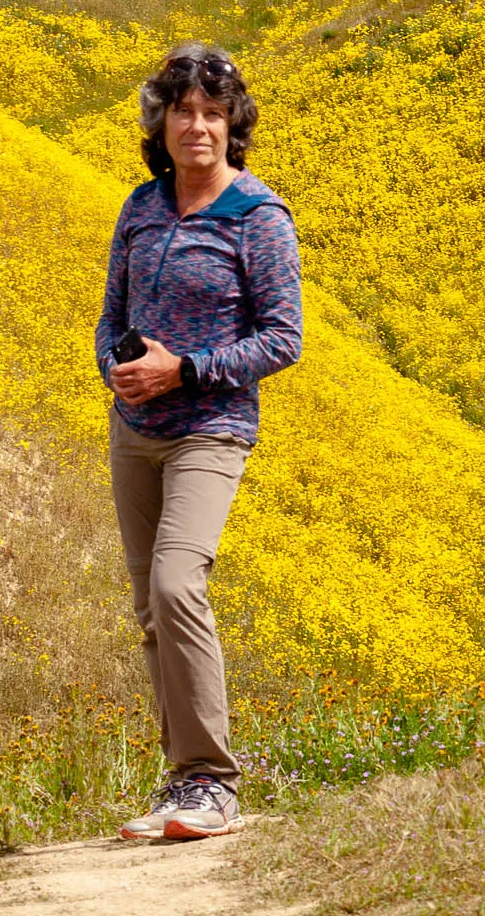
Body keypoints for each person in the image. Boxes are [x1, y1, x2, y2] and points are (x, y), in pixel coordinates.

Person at [95, 41, 303, 842]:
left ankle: (215, 783)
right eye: (184, 110)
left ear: (233, 126)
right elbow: (112, 314)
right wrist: (118, 369)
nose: (198, 126)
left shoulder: (258, 218)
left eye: (213, 114)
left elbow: (283, 339)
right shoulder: (141, 208)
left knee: (180, 586)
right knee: (151, 609)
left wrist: (184, 371)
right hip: (134, 430)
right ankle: (184, 781)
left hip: (209, 431)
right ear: (163, 122)